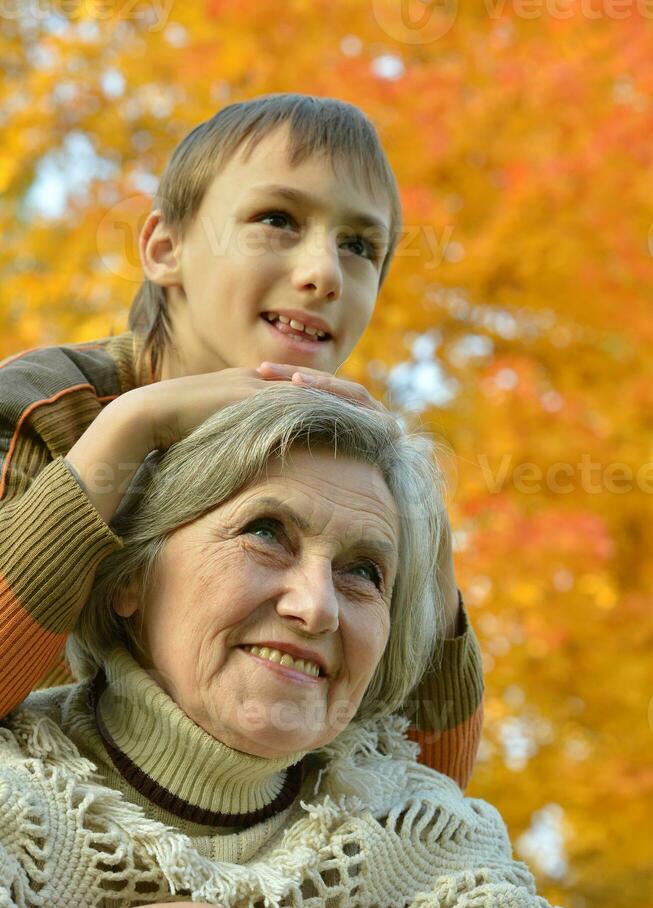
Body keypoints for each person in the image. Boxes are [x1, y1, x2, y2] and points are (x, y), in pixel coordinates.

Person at [2, 386, 616, 908]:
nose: (317, 607)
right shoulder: (18, 792)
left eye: (363, 572)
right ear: (132, 577)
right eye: (266, 533)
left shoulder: (419, 827)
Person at [0, 93, 483, 788]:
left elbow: (427, 790)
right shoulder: (46, 409)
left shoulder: (350, 478)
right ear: (165, 249)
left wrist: (423, 536)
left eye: (359, 246)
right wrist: (132, 427)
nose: (322, 273)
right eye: (277, 220)